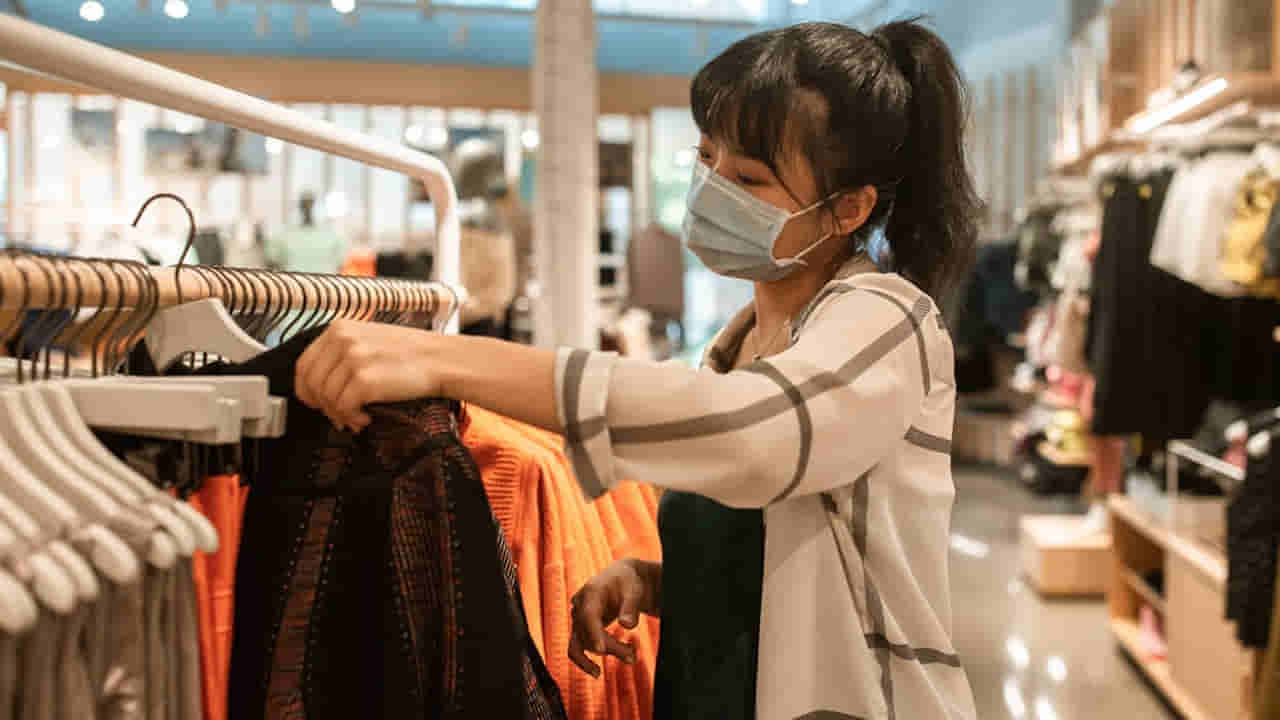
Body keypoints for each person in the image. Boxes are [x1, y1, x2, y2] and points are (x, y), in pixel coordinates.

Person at [295, 18, 981, 720]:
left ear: (848, 208)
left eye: (748, 178)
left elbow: (754, 436)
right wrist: (656, 584)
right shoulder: (739, 347)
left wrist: (448, 359)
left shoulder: (887, 321)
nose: (712, 187)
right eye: (706, 157)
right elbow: (779, 566)